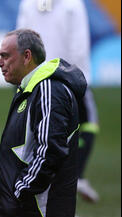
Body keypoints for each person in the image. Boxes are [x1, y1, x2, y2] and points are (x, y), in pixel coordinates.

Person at [0, 29, 86, 217]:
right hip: (30, 216)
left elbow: (49, 150)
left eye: (6, 56)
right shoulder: (33, 89)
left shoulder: (48, 89)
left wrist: (21, 189)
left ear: (27, 56)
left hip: (40, 215)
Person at [17, 0, 99, 202]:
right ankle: (76, 174)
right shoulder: (73, 4)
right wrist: (79, 76)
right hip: (65, 74)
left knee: (33, 126)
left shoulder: (29, 3)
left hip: (35, 73)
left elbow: (19, 36)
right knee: (88, 124)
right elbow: (78, 44)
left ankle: (27, 176)